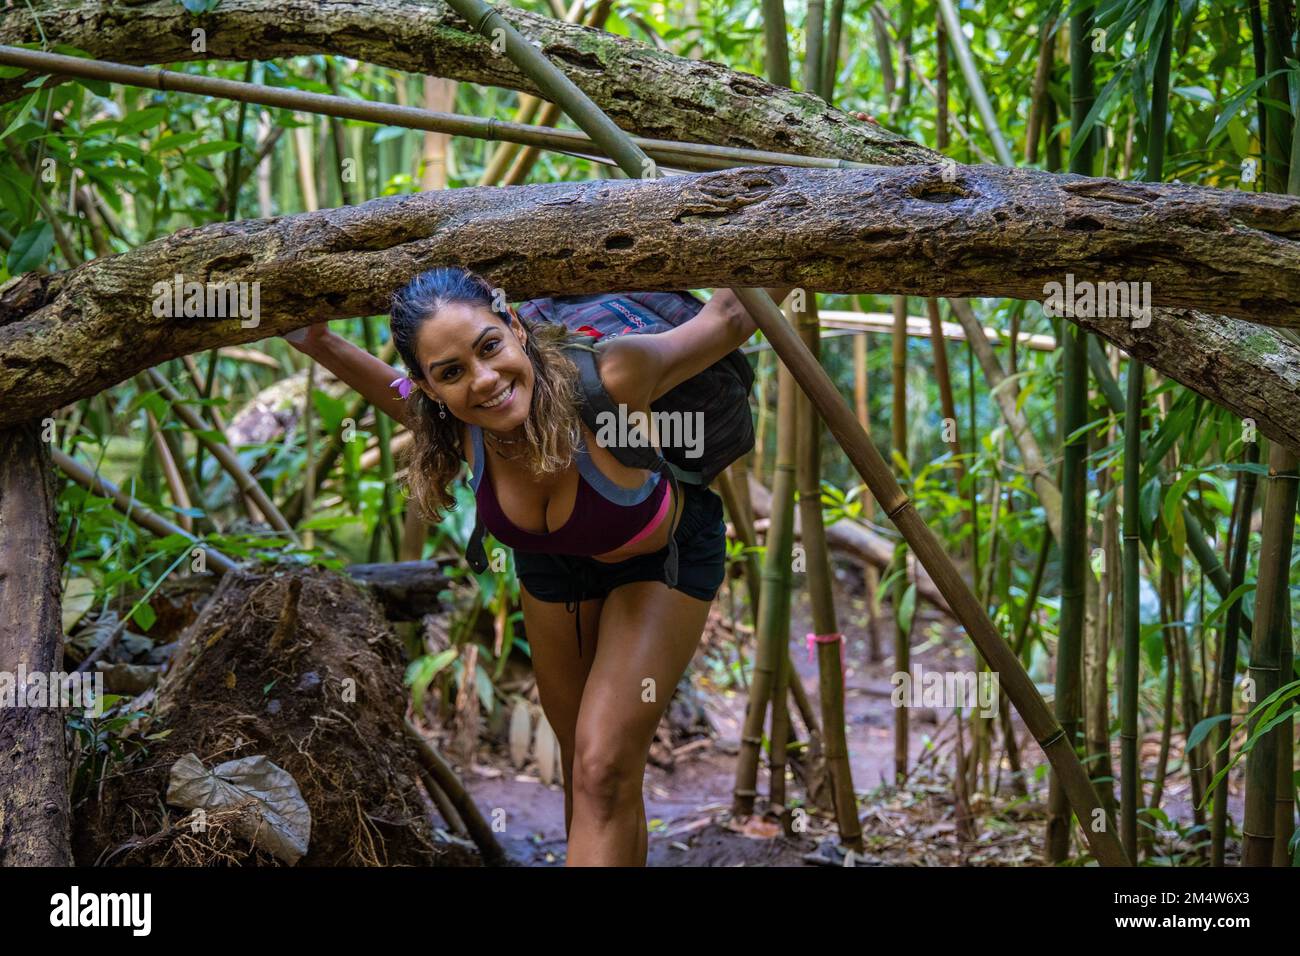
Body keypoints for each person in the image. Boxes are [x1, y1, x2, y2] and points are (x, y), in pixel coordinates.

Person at [286, 267, 790, 865]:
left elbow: (728, 318)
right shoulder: (453, 425)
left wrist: (790, 221)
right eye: (451, 373)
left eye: (489, 347)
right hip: (553, 571)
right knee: (590, 769)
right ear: (430, 391)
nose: (485, 380)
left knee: (602, 766)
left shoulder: (614, 375)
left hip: (661, 559)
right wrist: (316, 340)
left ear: (517, 329)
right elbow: (388, 391)